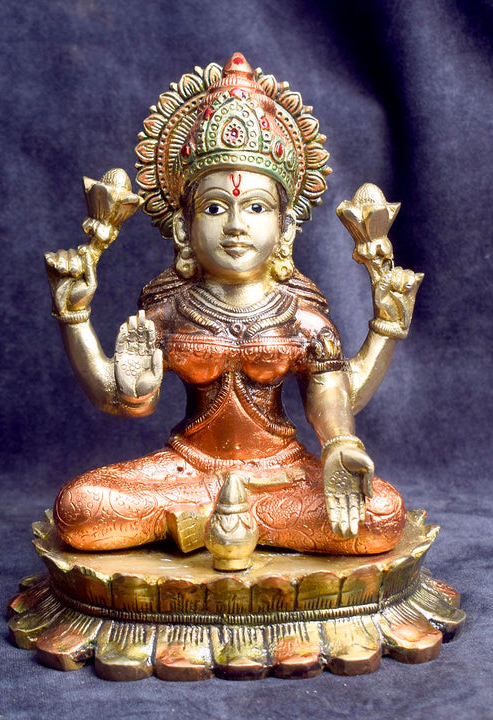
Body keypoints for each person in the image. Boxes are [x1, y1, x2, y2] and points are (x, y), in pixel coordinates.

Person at [44, 53, 421, 558]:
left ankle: (209, 521)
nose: (236, 225)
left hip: (279, 473)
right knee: (80, 508)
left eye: (257, 207)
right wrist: (78, 322)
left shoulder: (300, 316)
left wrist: (339, 445)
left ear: (285, 228)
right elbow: (119, 399)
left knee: (381, 514)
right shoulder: (172, 311)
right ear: (183, 228)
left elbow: (332, 393)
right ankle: (238, 518)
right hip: (189, 470)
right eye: (215, 207)